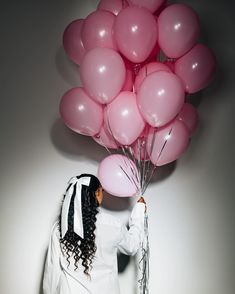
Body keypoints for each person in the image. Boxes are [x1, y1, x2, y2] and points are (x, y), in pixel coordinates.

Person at [43, 173, 146, 294]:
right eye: (101, 190)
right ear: (97, 193)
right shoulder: (112, 224)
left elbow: (52, 271)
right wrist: (139, 213)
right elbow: (132, 247)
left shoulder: (60, 228)